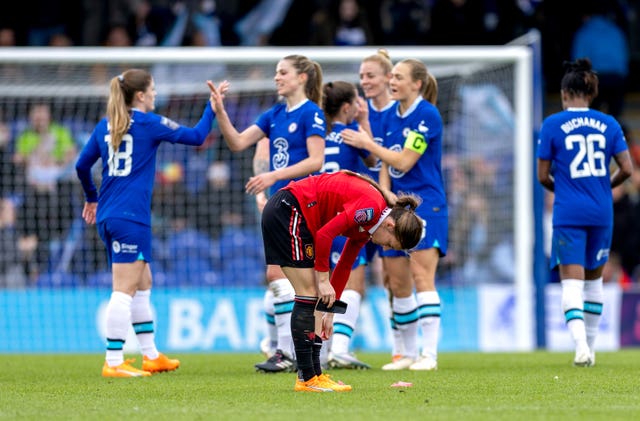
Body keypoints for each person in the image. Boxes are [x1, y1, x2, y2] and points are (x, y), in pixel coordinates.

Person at [75, 68, 219, 377]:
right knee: (124, 289)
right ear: (140, 95)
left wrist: (91, 197)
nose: (155, 94)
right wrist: (213, 107)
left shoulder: (106, 124)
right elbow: (196, 137)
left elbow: (81, 165)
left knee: (143, 284)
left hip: (110, 215)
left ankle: (151, 355)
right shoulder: (148, 123)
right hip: (131, 216)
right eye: (152, 89)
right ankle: (113, 361)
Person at [207, 54, 325, 373]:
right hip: (281, 204)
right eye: (276, 72)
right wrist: (219, 112)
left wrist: (274, 175)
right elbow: (237, 142)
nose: (277, 77)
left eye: (283, 72)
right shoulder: (274, 114)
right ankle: (290, 352)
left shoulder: (311, 113)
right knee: (279, 276)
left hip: (304, 203)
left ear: (302, 77)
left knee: (299, 280)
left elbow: (316, 161)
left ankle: (299, 352)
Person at [262, 170, 424, 391]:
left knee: (313, 298)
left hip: (294, 214)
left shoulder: (369, 225)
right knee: (308, 294)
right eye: (391, 244)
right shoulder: (370, 210)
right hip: (289, 210)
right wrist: (323, 280)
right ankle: (307, 379)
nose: (385, 248)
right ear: (390, 226)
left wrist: (330, 311)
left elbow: (345, 263)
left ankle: (314, 376)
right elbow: (325, 235)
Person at [342, 57, 447, 371]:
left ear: (416, 83)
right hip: (396, 205)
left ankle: (429, 354)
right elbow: (386, 167)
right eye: (393, 77)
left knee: (420, 276)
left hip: (427, 203)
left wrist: (365, 142)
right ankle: (406, 353)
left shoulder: (427, 115)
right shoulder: (389, 116)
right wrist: (385, 195)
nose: (393, 82)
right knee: (396, 282)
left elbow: (403, 161)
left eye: (399, 77)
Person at [536, 58, 632, 367]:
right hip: (601, 211)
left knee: (572, 285)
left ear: (564, 94)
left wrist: (563, 189)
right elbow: (627, 169)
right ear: (591, 93)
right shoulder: (610, 124)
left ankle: (580, 348)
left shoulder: (552, 124)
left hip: (569, 212)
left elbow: (542, 176)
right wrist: (605, 185)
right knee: (594, 284)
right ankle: (591, 348)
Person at [320, 80, 375, 369]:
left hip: (319, 217)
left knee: (324, 285)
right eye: (356, 102)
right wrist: (364, 123)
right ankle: (339, 348)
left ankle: (324, 348)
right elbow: (376, 160)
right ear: (346, 107)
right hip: (348, 217)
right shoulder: (352, 135)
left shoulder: (317, 135)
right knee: (354, 285)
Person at [571, 1, 629, 120]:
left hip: (594, 78)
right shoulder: (615, 30)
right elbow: (623, 56)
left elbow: (578, 61)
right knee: (615, 115)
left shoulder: (584, 32)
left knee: (592, 116)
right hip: (616, 78)